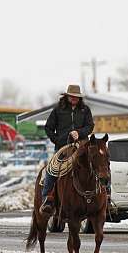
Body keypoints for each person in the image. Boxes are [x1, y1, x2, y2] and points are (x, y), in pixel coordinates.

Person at [40, 84, 95, 215]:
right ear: (67, 96)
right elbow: (48, 128)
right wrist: (57, 140)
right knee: (53, 168)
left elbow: (90, 126)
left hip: (82, 145)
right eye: (72, 96)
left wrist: (80, 133)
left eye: (77, 97)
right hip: (63, 147)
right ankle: (47, 198)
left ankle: (106, 194)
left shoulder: (85, 110)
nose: (75, 99)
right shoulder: (58, 110)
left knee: (97, 165)